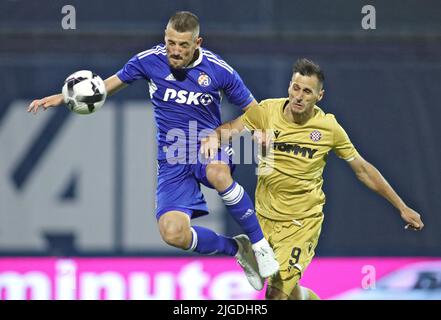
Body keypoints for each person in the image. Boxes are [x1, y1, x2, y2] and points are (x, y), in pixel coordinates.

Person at [27, 11, 279, 291]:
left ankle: (259, 245)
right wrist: (64, 97)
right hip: (172, 158)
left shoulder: (219, 70)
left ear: (198, 43)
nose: (175, 50)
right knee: (174, 234)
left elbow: (256, 113)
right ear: (165, 38)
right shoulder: (148, 61)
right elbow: (107, 86)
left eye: (183, 45)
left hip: (206, 145)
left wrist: (224, 132)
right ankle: (237, 249)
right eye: (171, 43)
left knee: (218, 173)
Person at [200, 58, 425, 300]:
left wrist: (401, 206)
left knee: (274, 295)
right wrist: (213, 140)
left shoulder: (328, 128)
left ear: (319, 96)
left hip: (301, 223)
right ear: (289, 87)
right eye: (296, 88)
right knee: (287, 290)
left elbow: (362, 169)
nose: (299, 96)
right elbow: (228, 130)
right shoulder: (266, 112)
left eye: (307, 91)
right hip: (263, 219)